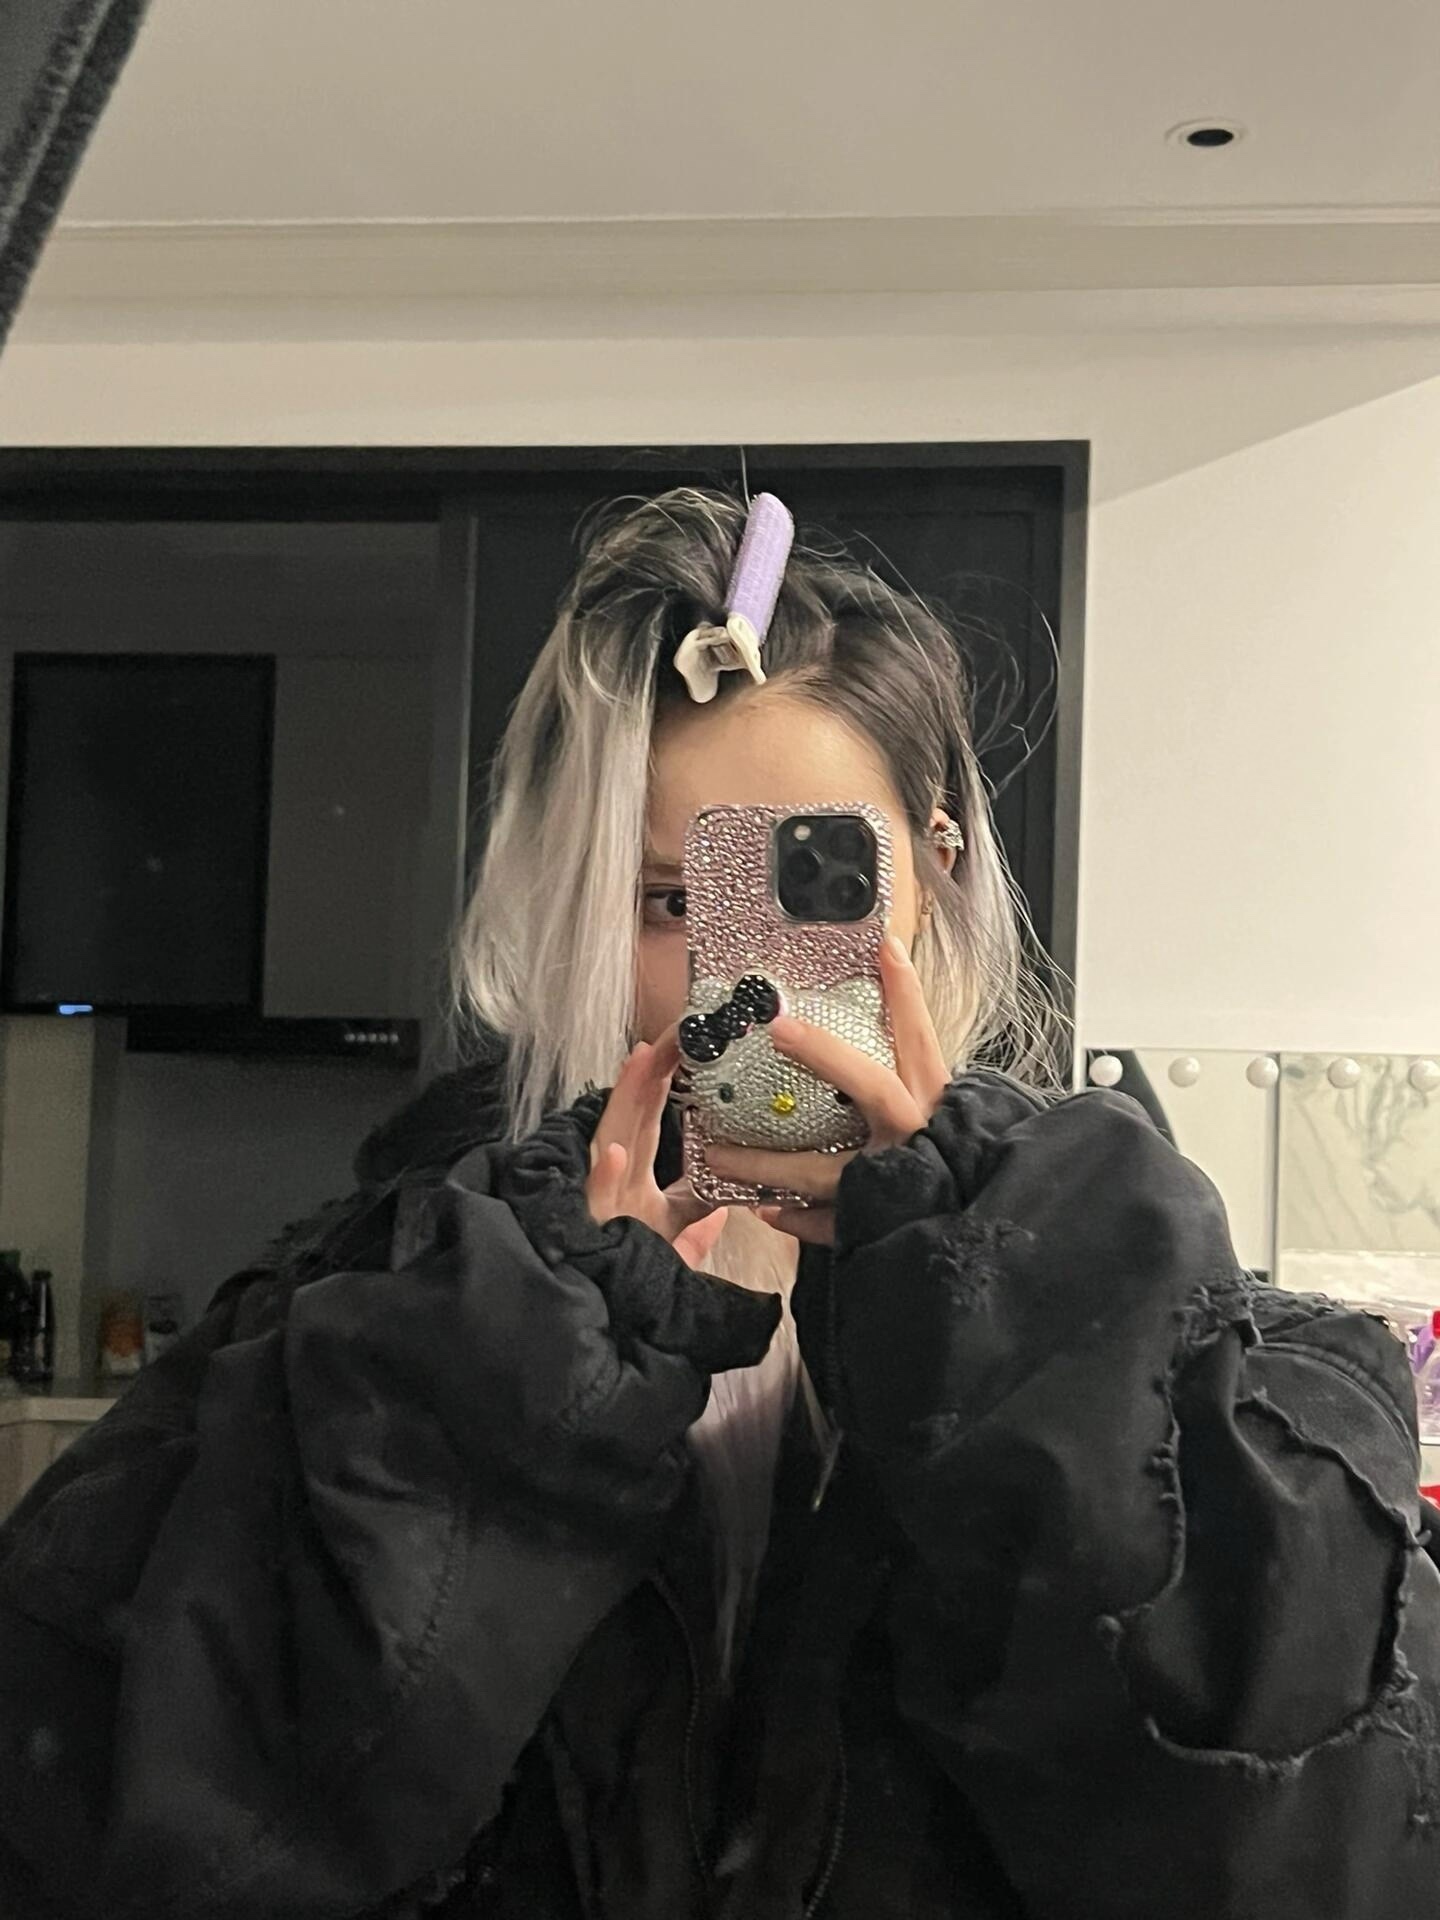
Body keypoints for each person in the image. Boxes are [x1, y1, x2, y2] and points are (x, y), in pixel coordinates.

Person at [0, 489, 1436, 1920]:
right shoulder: (363, 1320)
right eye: (669, 905)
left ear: (930, 878)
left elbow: (1312, 1856)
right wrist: (496, 1385)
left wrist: (1034, 1350)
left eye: (809, 889)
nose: (737, 985)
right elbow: (126, 1836)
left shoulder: (1181, 1352)